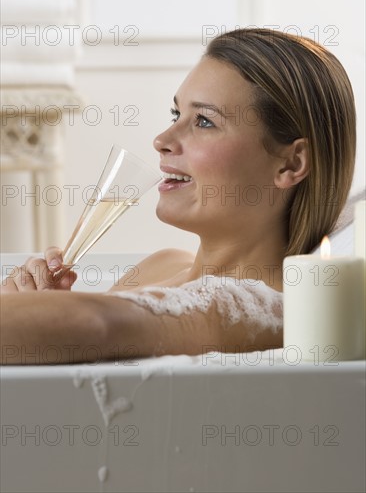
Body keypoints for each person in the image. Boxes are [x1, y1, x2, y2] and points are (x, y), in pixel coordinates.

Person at [0, 28, 356, 365]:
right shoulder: (162, 264)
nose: (162, 139)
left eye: (204, 121)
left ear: (291, 164)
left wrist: (36, 314)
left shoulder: (262, 307)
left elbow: (97, 325)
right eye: (176, 113)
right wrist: (34, 305)